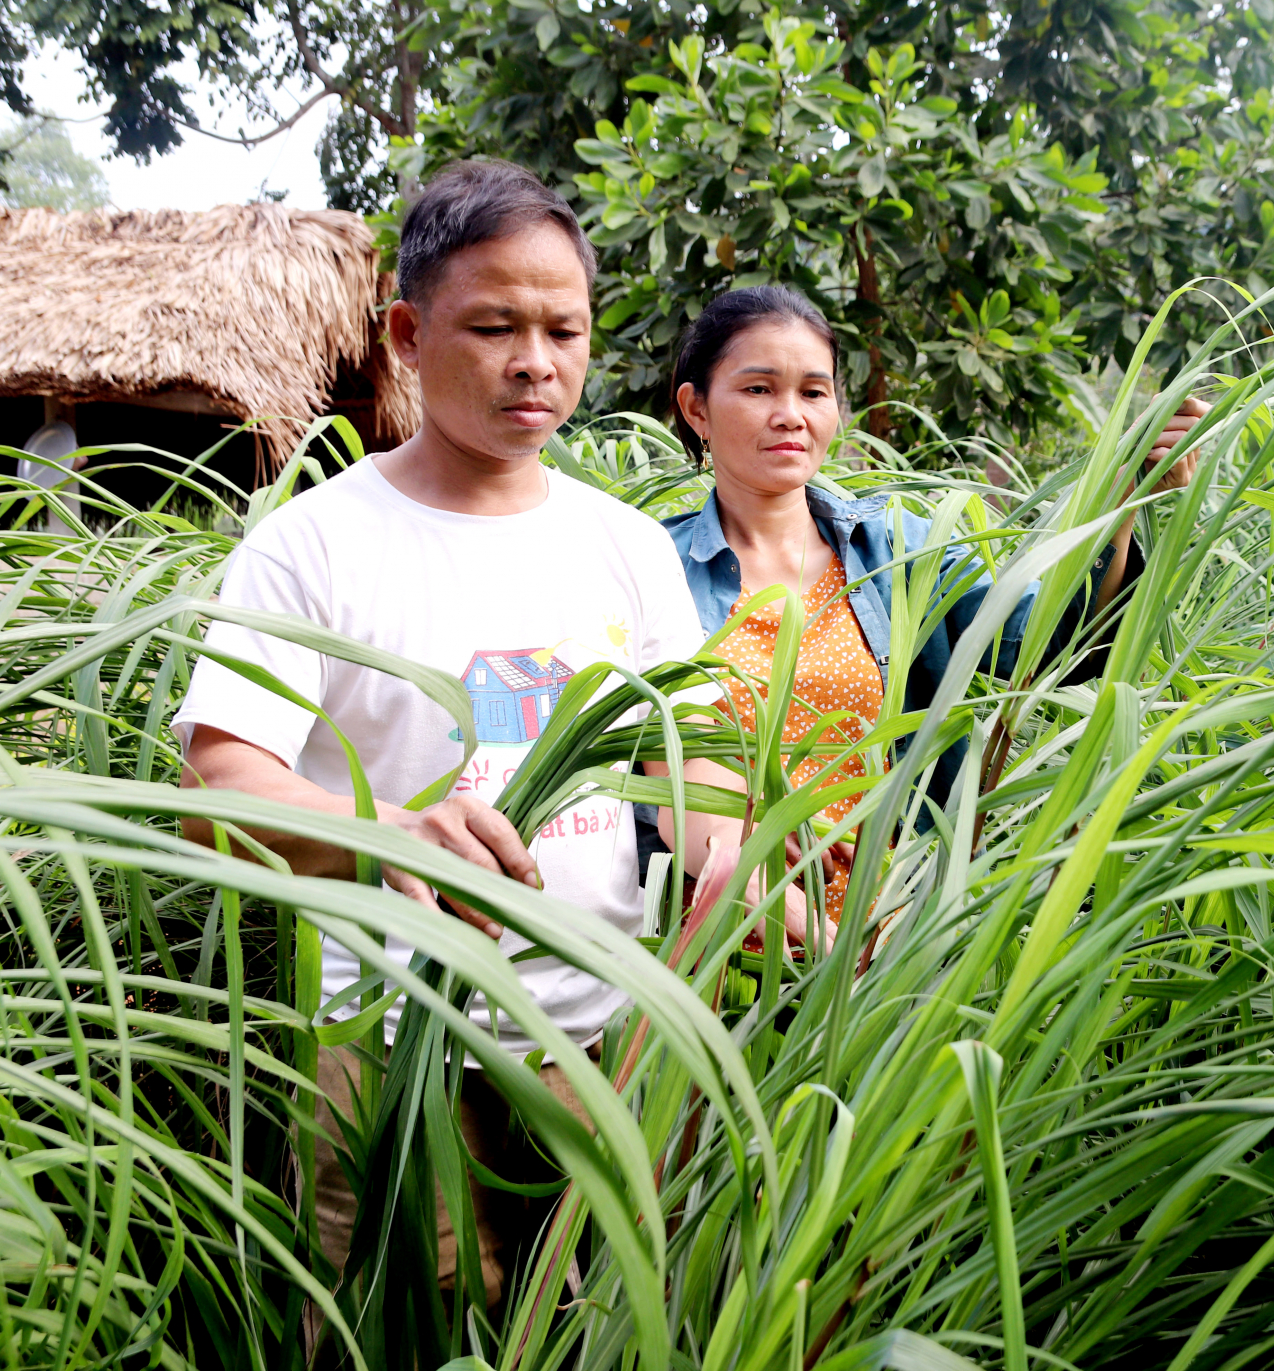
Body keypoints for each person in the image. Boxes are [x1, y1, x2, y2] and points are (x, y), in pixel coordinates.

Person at [172, 159, 753, 1325]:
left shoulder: (628, 546)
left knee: (610, 1324)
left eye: (564, 329)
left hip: (603, 1032)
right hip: (388, 1046)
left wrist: (727, 859)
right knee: (417, 1325)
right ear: (406, 331)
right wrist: (393, 834)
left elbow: (691, 749)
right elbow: (219, 792)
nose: (534, 360)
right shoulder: (314, 547)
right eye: (492, 325)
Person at [659, 286, 1205, 928]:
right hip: (707, 956)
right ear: (697, 409)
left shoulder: (904, 551)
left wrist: (1122, 496)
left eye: (813, 392)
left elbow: (1053, 645)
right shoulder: (651, 566)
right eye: (758, 390)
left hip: (887, 945)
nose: (790, 415)